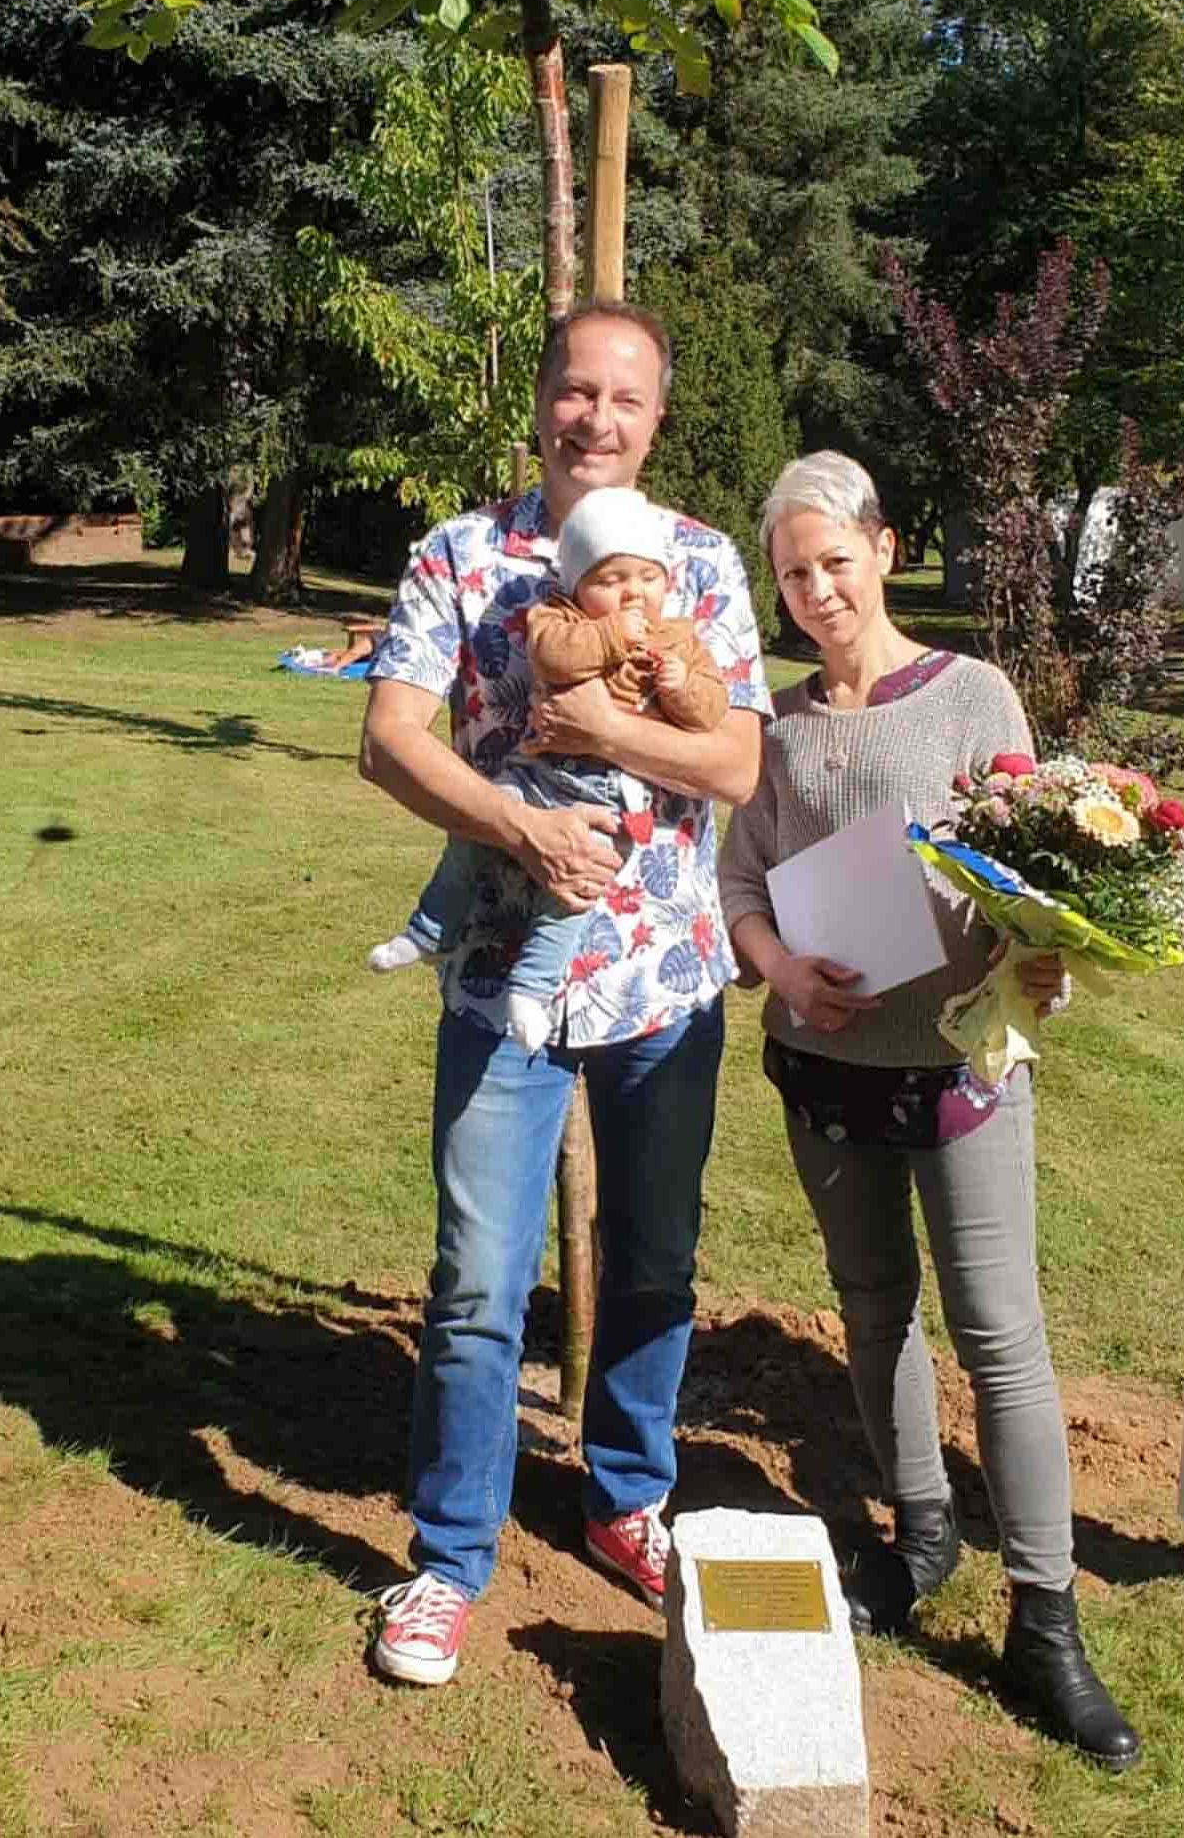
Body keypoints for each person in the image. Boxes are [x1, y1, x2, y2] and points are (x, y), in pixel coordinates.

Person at [356, 301, 769, 1687]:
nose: (597, 418)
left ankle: (621, 1494)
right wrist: (518, 824)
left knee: (655, 1257)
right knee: (476, 1279)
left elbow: (738, 771)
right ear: (536, 398)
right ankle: (447, 1555)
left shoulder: (702, 564)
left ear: (656, 420)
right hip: (500, 977)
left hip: (662, 977)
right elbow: (388, 742)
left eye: (626, 400)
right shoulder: (461, 558)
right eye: (576, 391)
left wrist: (613, 730)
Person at [714, 452, 1142, 1772]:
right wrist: (779, 966)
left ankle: (1044, 1620)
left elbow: (1031, 863)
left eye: (833, 563)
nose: (814, 592)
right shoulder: (772, 729)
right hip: (825, 1069)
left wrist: (1042, 955)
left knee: (999, 1335)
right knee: (869, 1309)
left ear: (883, 550)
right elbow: (737, 882)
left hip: (962, 1074)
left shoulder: (970, 696)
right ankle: (919, 1532)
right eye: (790, 574)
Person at [368, 485, 732, 1050]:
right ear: (578, 585)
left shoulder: (680, 639)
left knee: (573, 894)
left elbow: (713, 716)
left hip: (612, 799)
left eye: (648, 578)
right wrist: (613, 636)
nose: (633, 594)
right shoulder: (555, 616)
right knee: (470, 837)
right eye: (610, 581)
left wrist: (680, 689)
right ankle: (429, 929)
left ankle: (530, 990)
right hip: (533, 776)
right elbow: (555, 657)